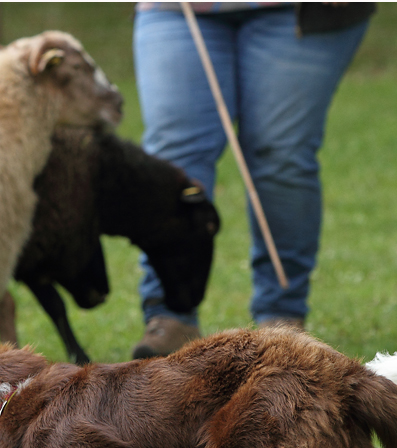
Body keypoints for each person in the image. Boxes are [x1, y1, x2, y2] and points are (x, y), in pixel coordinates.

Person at [131, 2, 374, 358]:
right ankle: (170, 314)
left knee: (279, 154)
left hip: (296, 10)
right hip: (177, 9)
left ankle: (282, 315)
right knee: (174, 159)